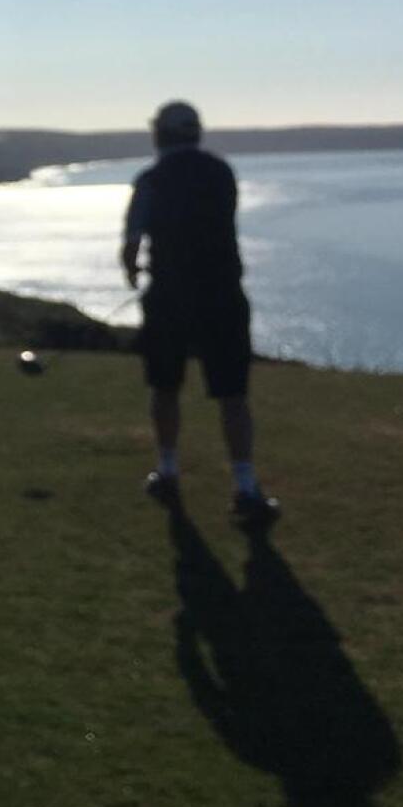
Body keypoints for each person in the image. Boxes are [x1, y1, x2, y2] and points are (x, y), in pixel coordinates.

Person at [121, 101, 279, 527]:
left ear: (160, 135)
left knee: (165, 386)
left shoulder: (151, 181)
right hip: (223, 296)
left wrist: (134, 274)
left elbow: (132, 244)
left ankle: (168, 471)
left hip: (169, 299)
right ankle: (245, 487)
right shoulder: (222, 173)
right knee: (232, 395)